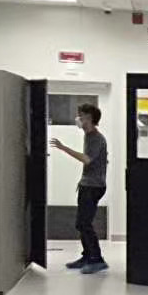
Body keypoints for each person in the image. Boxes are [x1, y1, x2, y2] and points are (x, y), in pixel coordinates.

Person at [51, 103, 109, 274]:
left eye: (81, 115)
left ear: (89, 118)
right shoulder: (89, 136)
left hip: (93, 186)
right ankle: (87, 256)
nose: (78, 118)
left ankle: (97, 259)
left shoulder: (96, 138)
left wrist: (63, 148)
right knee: (81, 223)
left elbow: (86, 159)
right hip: (87, 184)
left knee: (84, 223)